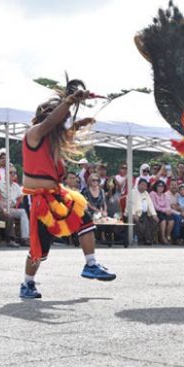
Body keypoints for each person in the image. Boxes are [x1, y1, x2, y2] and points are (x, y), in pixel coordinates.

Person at [19, 78, 116, 299]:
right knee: (40, 248)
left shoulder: (53, 139)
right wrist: (70, 101)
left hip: (57, 194)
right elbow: (50, 123)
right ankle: (27, 284)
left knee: (85, 216)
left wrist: (78, 124)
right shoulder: (33, 133)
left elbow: (60, 128)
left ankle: (90, 264)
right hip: (38, 199)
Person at [0, 166, 29, 247]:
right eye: (10, 172)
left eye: (14, 173)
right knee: (9, 216)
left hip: (10, 209)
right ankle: (10, 240)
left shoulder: (16, 186)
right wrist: (3, 209)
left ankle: (25, 238)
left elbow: (20, 198)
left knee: (23, 212)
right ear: (5, 174)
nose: (13, 174)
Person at [129, 178, 159, 245]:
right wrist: (133, 214)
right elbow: (130, 205)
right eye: (142, 185)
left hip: (145, 214)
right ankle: (141, 239)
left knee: (154, 221)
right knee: (138, 222)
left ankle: (148, 239)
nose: (143, 187)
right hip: (135, 214)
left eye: (145, 185)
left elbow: (150, 204)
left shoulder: (146, 193)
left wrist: (154, 214)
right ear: (138, 185)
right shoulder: (132, 192)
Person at [150, 180, 175, 244]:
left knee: (172, 221)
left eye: (162, 186)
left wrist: (168, 210)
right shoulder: (152, 193)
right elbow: (155, 206)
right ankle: (162, 237)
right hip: (156, 212)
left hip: (165, 212)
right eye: (159, 186)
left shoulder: (164, 195)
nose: (161, 187)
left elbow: (168, 205)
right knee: (163, 220)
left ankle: (167, 236)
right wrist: (164, 210)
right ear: (156, 186)